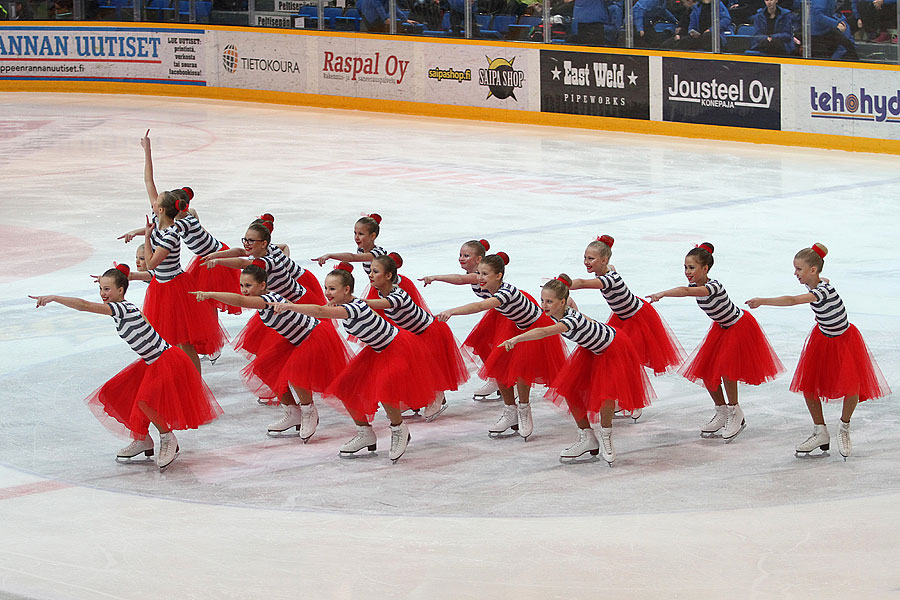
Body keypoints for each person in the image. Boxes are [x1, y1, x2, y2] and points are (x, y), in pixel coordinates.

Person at [29, 265, 222, 469]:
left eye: (108, 289)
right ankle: (143, 440)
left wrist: (54, 297)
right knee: (117, 394)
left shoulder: (120, 308)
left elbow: (85, 305)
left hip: (164, 360)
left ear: (121, 290)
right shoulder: (127, 308)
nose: (103, 294)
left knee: (145, 401)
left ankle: (168, 439)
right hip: (151, 361)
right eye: (102, 289)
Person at [272, 263, 442, 463]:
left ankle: (399, 430)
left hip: (396, 348)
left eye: (332, 289)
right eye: (326, 288)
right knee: (345, 387)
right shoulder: (343, 304)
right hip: (376, 350)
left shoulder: (354, 307)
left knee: (385, 389)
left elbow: (318, 310)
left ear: (346, 290)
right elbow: (323, 308)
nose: (327, 292)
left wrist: (289, 305)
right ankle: (365, 432)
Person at [745, 243, 889, 459]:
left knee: (852, 387)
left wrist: (762, 301)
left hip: (844, 342)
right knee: (809, 386)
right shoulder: (818, 282)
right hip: (822, 339)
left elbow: (793, 300)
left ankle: (844, 427)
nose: (795, 273)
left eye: (799, 269)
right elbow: (823, 279)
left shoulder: (822, 291)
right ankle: (820, 431)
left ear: (812, 270)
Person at [500, 275, 654, 465]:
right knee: (570, 390)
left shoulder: (570, 320)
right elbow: (568, 300)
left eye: (549, 301)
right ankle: (587, 436)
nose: (544, 305)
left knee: (607, 394)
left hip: (613, 347)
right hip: (591, 349)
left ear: (561, 302)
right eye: (542, 300)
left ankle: (606, 436)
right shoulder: (565, 308)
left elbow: (543, 332)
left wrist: (516, 339)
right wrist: (561, 284)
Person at [191, 264, 350, 441]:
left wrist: (210, 294)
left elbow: (240, 301)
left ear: (262, 285)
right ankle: (293, 411)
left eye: (249, 286)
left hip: (312, 336)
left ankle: (308, 411)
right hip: (295, 339)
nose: (244, 290)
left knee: (296, 373)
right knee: (264, 368)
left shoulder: (265, 300)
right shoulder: (268, 299)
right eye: (242, 285)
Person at [647, 242, 783, 442]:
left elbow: (685, 291)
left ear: (705, 268)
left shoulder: (713, 286)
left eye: (692, 267)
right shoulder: (695, 286)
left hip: (739, 328)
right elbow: (688, 289)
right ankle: (722, 411)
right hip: (721, 329)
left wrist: (663, 293)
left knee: (728, 370)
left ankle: (735, 412)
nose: (687, 272)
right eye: (685, 267)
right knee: (706, 372)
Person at [436, 253, 567, 440]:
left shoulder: (505, 293)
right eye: (479, 273)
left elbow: (479, 306)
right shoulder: (486, 285)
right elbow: (462, 281)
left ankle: (523, 408)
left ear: (498, 276)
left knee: (522, 369)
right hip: (511, 324)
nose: (479, 278)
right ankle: (510, 409)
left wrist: (452, 311)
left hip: (534, 328)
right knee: (498, 364)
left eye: (485, 274)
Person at [568, 235, 684, 421]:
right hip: (621, 319)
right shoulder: (609, 269)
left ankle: (635, 402)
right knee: (618, 361)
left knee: (630, 362)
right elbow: (610, 269)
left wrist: (561, 285)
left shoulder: (608, 279)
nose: (586, 262)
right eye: (585, 257)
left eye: (591, 258)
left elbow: (582, 283)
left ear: (604, 260)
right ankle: (621, 399)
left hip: (637, 320)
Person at [365, 253, 469, 421]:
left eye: (375, 271)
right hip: (413, 335)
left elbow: (383, 305)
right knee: (408, 367)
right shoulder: (380, 291)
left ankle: (436, 396)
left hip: (430, 332)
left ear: (388, 275)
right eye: (370, 271)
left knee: (430, 368)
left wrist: (354, 301)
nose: (370, 275)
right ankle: (416, 398)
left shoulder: (399, 295)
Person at [419, 238, 515, 401]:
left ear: (478, 260)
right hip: (495, 311)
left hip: (506, 314)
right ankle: (495, 377)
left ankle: (508, 380)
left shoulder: (480, 274)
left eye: (466, 255)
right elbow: (462, 278)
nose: (461, 258)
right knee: (481, 342)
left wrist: (435, 277)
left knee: (498, 347)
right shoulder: (477, 273)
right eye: (460, 255)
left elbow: (461, 279)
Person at [142, 191, 226, 373]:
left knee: (183, 340)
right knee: (169, 339)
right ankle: (180, 375)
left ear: (161, 209)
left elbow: (151, 263)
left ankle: (194, 381)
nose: (153, 202)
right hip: (160, 287)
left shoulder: (171, 234)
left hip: (175, 287)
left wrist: (146, 238)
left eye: (157, 201)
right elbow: (149, 184)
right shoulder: (157, 223)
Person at [313, 213, 428, 315]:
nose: (356, 237)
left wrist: (330, 255)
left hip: (393, 287)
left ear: (372, 236)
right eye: (355, 233)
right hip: (378, 286)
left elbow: (353, 258)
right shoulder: (361, 249)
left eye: (361, 234)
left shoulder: (377, 253)